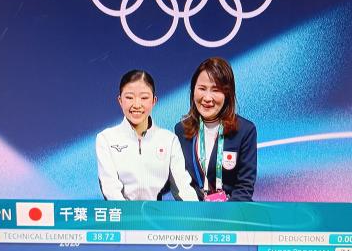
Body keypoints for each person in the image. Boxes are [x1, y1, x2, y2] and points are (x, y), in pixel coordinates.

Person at [96, 70, 198, 201]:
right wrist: (128, 213)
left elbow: (183, 187)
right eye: (129, 97)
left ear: (154, 101)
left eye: (144, 98)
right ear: (120, 100)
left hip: (155, 212)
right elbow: (110, 189)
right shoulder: (106, 138)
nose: (136, 105)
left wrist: (197, 211)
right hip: (121, 212)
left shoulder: (169, 140)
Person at [175, 57, 257, 202]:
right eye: (202, 88)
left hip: (232, 213)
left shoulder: (245, 130)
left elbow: (244, 188)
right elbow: (180, 181)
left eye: (216, 90)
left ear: (227, 94)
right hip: (194, 212)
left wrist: (221, 214)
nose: (207, 98)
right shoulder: (181, 130)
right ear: (193, 90)